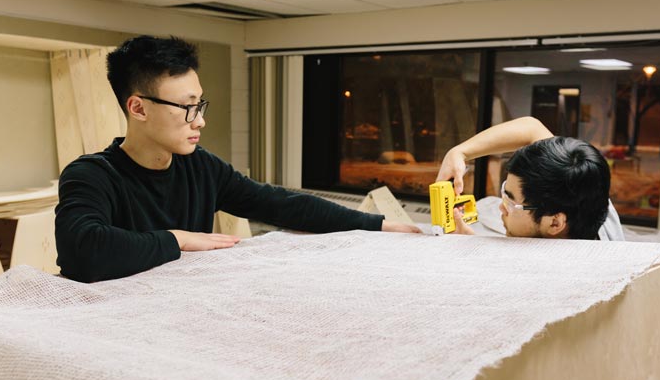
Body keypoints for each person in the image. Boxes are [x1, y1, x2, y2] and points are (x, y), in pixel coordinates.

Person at [55, 35, 420, 282]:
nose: (200, 120)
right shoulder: (91, 175)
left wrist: (378, 225)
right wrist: (177, 239)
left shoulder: (200, 167)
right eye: (185, 108)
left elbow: (280, 203)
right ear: (138, 108)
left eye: (199, 104)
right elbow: (83, 251)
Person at [436, 116, 623, 240]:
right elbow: (532, 128)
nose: (501, 206)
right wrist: (459, 152)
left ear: (555, 222)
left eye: (510, 202)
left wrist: (471, 252)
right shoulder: (586, 188)